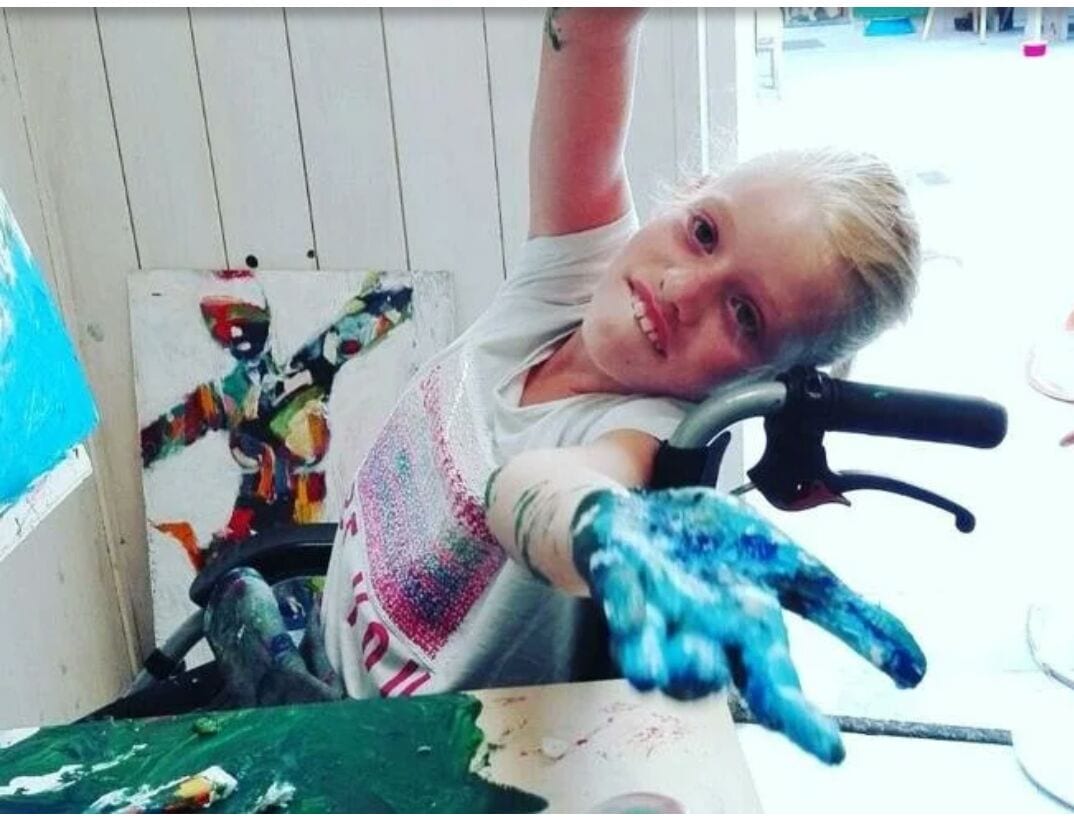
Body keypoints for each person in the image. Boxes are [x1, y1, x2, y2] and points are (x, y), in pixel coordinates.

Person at [207, 8, 924, 765]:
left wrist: (600, 528)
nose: (681, 289)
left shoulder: (642, 436)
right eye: (704, 233)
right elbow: (588, 35)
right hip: (306, 656)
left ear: (770, 379)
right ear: (691, 192)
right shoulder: (570, 277)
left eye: (744, 315)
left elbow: (547, 491)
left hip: (387, 763)